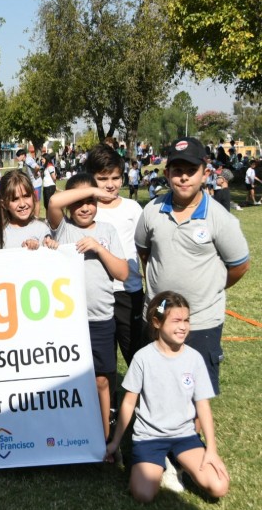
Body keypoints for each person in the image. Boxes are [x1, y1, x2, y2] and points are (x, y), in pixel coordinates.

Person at [135, 137, 249, 395]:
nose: (184, 177)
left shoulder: (220, 218)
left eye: (191, 170)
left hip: (201, 321)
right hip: (158, 317)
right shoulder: (151, 210)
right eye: (177, 170)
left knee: (196, 394)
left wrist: (211, 288)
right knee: (155, 389)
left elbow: (240, 266)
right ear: (167, 174)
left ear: (205, 174)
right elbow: (144, 252)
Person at [105, 291, 229, 503]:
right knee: (143, 494)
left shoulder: (194, 358)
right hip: (149, 437)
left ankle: (175, 461)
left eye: (186, 320)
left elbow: (203, 406)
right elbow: (128, 403)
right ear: (156, 322)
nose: (183, 326)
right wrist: (115, 442)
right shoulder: (143, 358)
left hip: (184, 435)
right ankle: (158, 464)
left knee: (219, 486)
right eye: (176, 321)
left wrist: (212, 450)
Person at [48, 173, 128, 441]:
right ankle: (73, 436)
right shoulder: (63, 228)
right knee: (69, 380)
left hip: (101, 319)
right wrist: (93, 190)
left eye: (91, 202)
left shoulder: (107, 231)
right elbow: (54, 202)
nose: (85, 207)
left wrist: (99, 249)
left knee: (102, 380)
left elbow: (122, 273)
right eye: (79, 202)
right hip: (69, 321)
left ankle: (104, 437)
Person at [85, 145, 145, 369]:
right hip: (97, 296)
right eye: (102, 178)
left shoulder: (133, 208)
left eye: (115, 178)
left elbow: (144, 250)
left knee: (136, 355)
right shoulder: (86, 209)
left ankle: (140, 392)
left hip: (128, 292)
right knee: (102, 361)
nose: (110, 184)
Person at [0, 170, 55, 250]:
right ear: (4, 204)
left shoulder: (42, 229)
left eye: (26, 196)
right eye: (15, 199)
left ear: (33, 196)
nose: (22, 204)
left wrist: (49, 245)